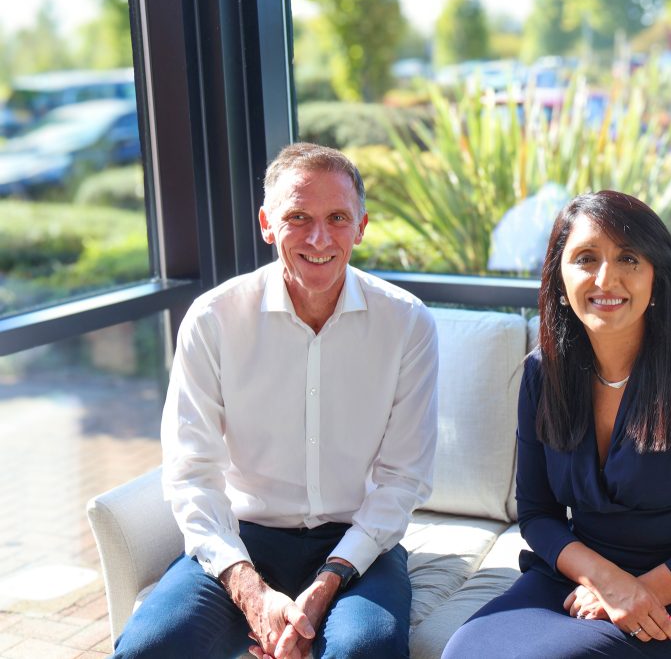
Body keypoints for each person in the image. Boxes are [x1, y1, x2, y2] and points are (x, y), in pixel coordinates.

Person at [113, 143, 439, 659]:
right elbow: (190, 473)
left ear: (362, 226)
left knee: (365, 651)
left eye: (337, 218)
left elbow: (403, 478)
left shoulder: (407, 323)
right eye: (297, 217)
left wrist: (329, 581)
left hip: (357, 543)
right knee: (148, 649)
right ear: (267, 223)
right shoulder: (213, 319)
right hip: (245, 539)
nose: (319, 238)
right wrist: (251, 592)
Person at [442, 190, 671, 658]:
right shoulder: (543, 373)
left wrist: (640, 592)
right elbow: (537, 514)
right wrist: (605, 580)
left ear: (657, 277)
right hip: (583, 577)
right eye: (585, 258)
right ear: (559, 278)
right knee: (465, 650)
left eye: (629, 259)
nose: (605, 278)